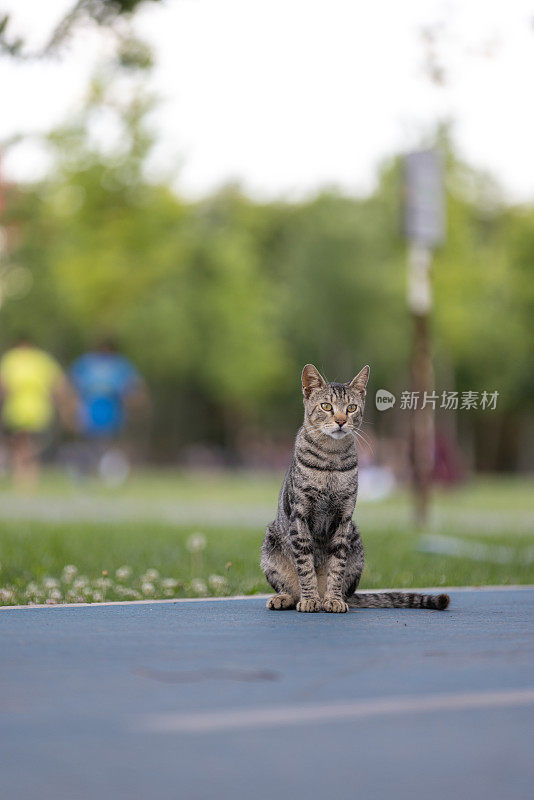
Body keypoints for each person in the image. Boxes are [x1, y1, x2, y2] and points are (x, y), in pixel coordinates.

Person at [69, 338, 148, 482]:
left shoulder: (120, 365)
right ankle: (86, 473)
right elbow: (72, 386)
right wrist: (71, 408)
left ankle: (108, 473)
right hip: (90, 409)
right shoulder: (86, 363)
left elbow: (134, 386)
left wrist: (136, 402)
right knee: (89, 443)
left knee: (110, 443)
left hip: (112, 410)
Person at [0, 336, 74, 487]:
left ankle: (23, 482)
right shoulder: (42, 359)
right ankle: (28, 483)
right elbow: (60, 386)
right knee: (30, 449)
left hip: (18, 411)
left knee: (21, 449)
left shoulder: (11, 359)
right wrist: (65, 408)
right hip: (37, 412)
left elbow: (3, 387)